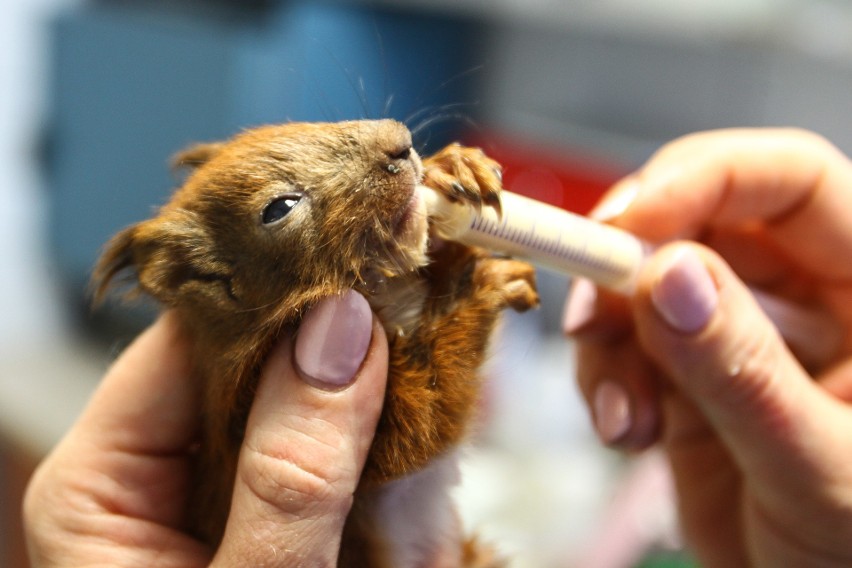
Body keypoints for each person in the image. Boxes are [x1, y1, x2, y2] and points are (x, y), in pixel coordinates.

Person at [23, 128, 852, 567]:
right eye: (284, 210)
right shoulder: (265, 388)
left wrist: (455, 247)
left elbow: (417, 278)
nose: (394, 144)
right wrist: (476, 293)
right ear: (215, 282)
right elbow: (420, 427)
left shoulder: (335, 312)